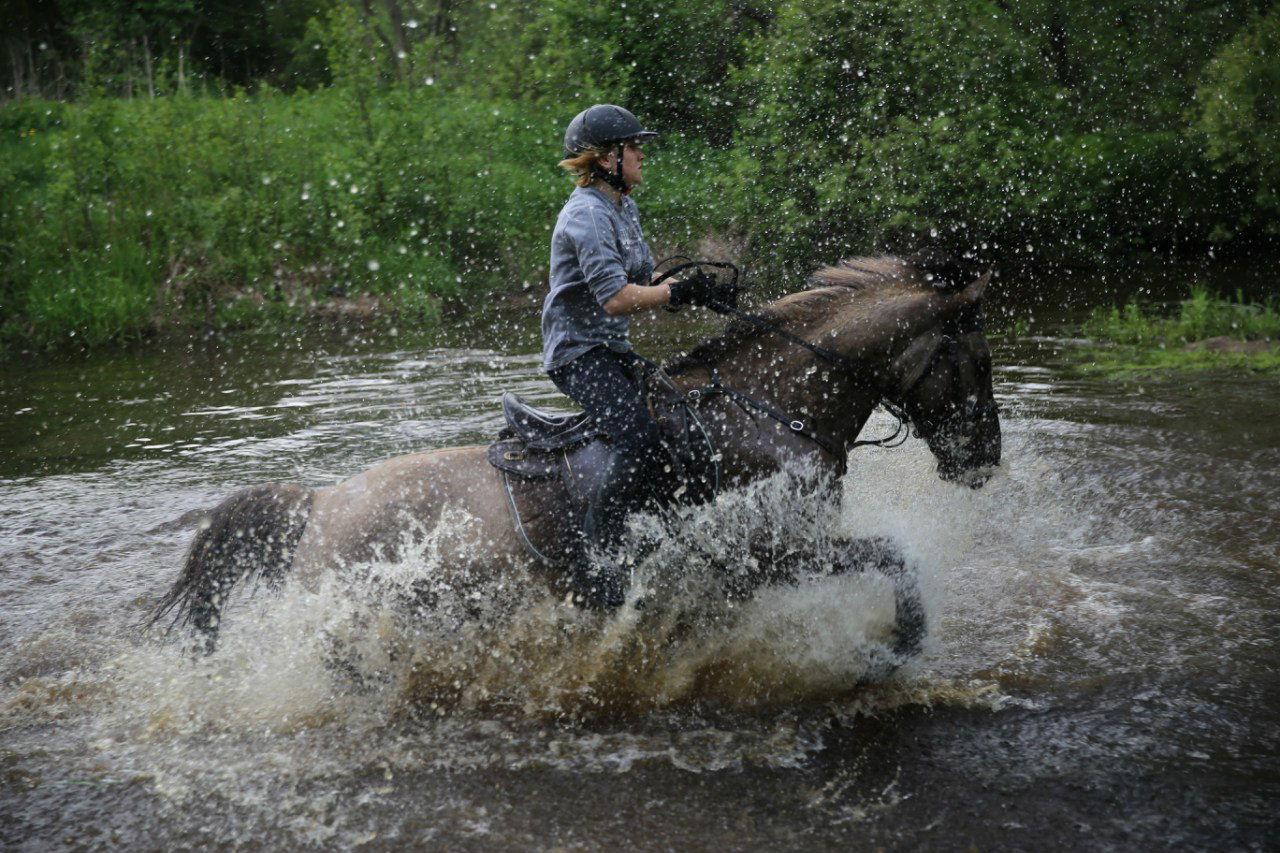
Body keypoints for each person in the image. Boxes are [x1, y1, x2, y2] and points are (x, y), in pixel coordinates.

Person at [542, 104, 735, 608]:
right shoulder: (584, 215)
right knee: (638, 440)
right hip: (578, 355)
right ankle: (594, 560)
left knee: (686, 423)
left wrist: (696, 291)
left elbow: (642, 284)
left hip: (614, 348)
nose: (641, 154)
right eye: (633, 147)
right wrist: (673, 295)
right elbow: (615, 298)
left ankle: (662, 534)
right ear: (606, 158)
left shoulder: (623, 207)